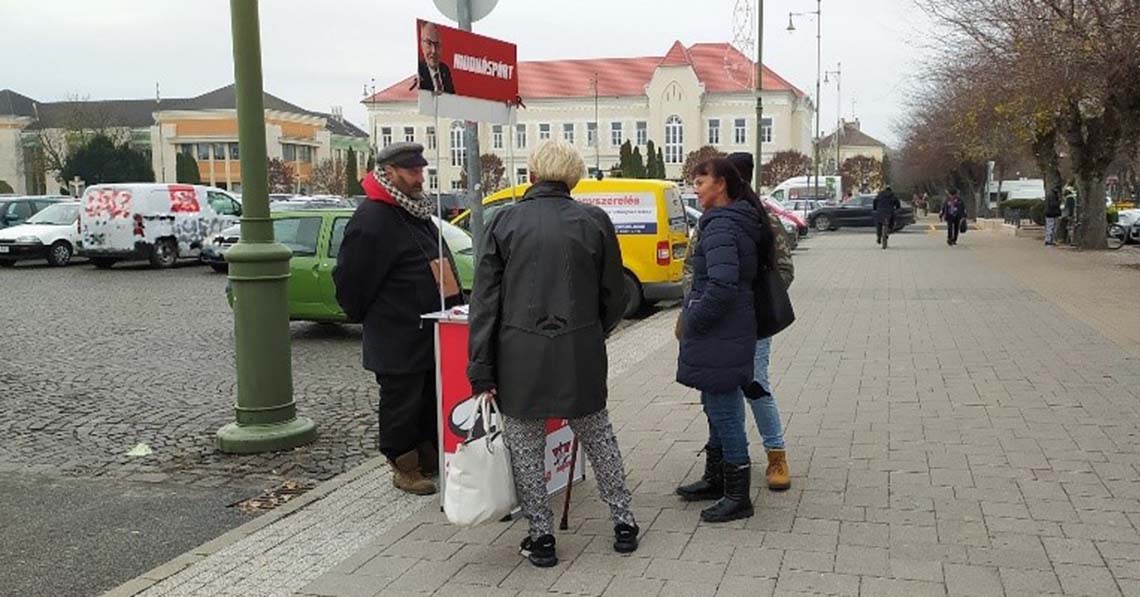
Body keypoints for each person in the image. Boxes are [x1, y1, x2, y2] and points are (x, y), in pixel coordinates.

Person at [467, 139, 638, 568]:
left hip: (518, 353)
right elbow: (613, 295)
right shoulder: (594, 220)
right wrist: (593, 332)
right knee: (598, 435)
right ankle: (623, 521)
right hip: (579, 349)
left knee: (526, 445)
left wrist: (480, 369)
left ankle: (540, 537)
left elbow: (484, 303)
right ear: (573, 177)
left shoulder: (504, 221)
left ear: (531, 175)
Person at [333, 142, 463, 496]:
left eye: (421, 170)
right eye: (412, 172)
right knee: (401, 404)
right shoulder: (373, 218)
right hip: (397, 334)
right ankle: (403, 467)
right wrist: (375, 318)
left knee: (426, 399)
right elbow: (351, 283)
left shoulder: (413, 211)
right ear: (388, 173)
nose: (420, 177)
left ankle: (426, 455)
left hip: (427, 330)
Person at [676, 158, 762, 524]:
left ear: (722, 184)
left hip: (720, 331)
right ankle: (716, 479)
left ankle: (737, 494)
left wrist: (693, 318)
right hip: (727, 329)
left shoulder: (721, 226)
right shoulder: (733, 220)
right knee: (715, 402)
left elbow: (722, 285)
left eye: (700, 181)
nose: (695, 188)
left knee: (724, 409)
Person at [418, 22, 455, 95]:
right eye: (429, 43)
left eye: (437, 45)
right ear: (421, 44)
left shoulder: (445, 70)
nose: (434, 51)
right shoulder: (419, 71)